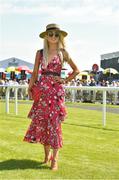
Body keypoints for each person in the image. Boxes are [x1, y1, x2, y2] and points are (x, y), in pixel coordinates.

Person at [23, 23, 79, 170]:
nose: (53, 37)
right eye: (50, 34)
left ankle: (55, 160)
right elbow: (35, 73)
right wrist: (30, 89)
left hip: (56, 93)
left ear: (59, 36)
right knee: (43, 124)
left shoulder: (63, 52)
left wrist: (64, 80)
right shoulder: (40, 53)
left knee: (55, 125)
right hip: (42, 92)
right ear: (46, 36)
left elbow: (76, 70)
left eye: (56, 34)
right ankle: (46, 156)